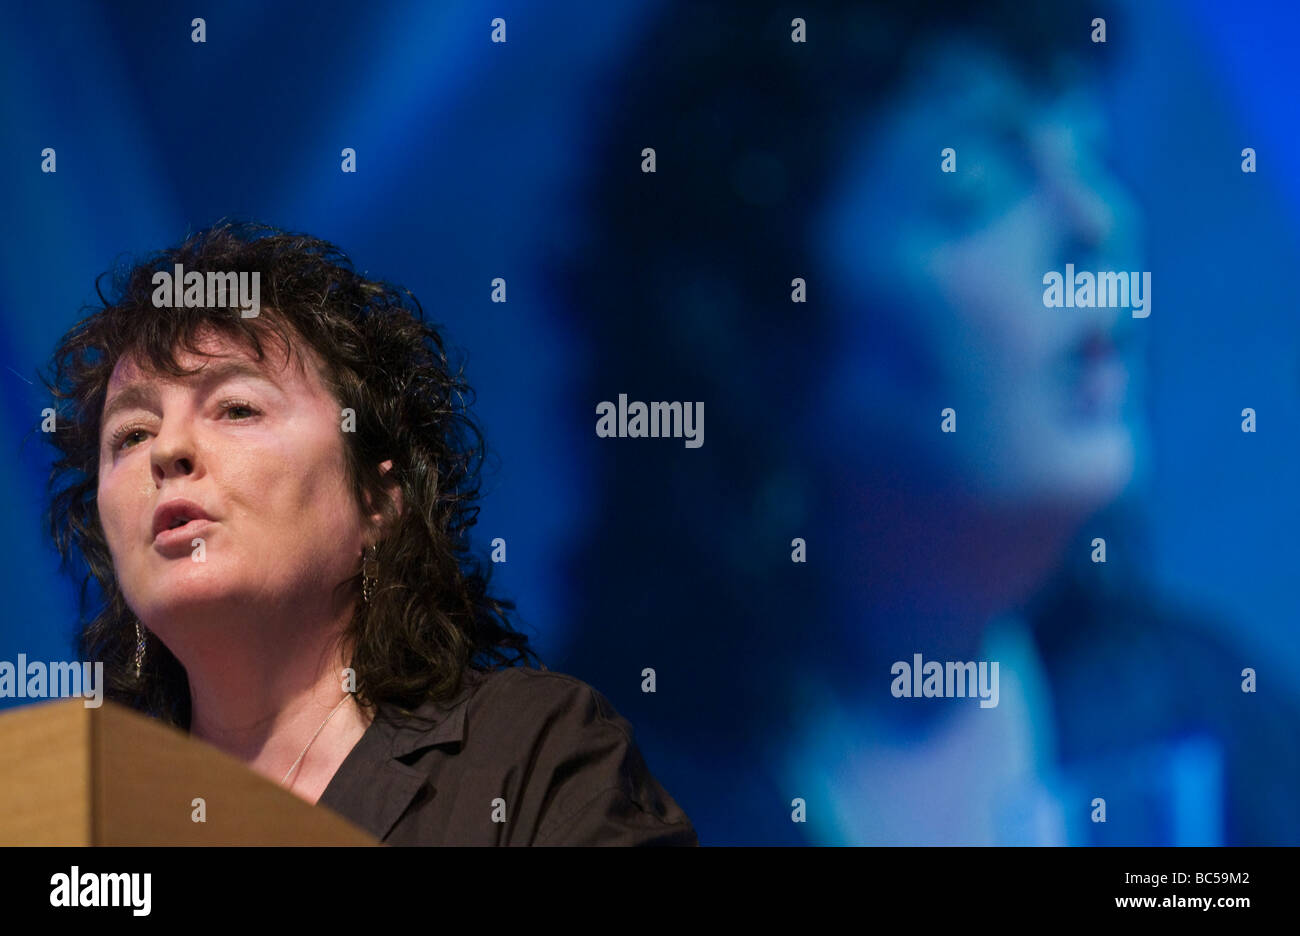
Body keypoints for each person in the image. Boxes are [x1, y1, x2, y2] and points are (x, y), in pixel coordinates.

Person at [551, 0, 1300, 844]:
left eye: (1090, 157)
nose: (1097, 222)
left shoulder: (1197, 714)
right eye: (973, 192)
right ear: (764, 331)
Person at [42, 221, 697, 846]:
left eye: (237, 408)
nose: (168, 450)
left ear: (378, 499)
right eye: (130, 435)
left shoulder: (532, 755)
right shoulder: (75, 828)